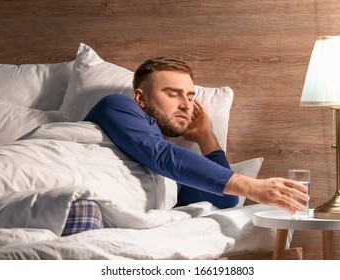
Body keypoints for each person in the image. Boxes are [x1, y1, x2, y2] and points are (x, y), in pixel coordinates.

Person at [83, 56, 309, 214]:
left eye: (190, 97)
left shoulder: (174, 176)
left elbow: (226, 198)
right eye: (173, 94)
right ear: (140, 99)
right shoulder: (117, 105)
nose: (185, 105)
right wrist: (253, 186)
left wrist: (206, 138)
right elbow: (161, 154)